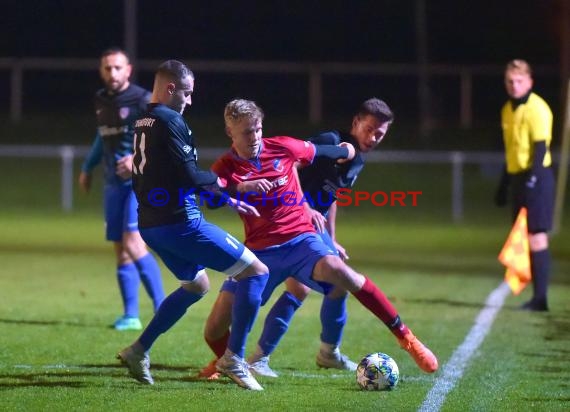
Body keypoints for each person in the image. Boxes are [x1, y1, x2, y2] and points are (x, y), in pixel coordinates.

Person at [199, 99, 438, 380]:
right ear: (231, 132)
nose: (255, 137)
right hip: (261, 249)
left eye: (258, 129)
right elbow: (210, 196)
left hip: (302, 237)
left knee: (340, 277)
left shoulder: (293, 148)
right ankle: (234, 361)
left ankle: (400, 338)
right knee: (214, 329)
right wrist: (247, 189)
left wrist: (331, 238)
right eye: (247, 132)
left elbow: (325, 187)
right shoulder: (228, 165)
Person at [115, 60, 270, 391]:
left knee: (197, 285)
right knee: (256, 272)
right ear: (171, 89)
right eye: (186, 92)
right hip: (180, 223)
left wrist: (221, 195)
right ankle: (234, 358)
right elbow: (190, 175)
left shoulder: (143, 119)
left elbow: (172, 176)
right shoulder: (171, 121)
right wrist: (228, 185)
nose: (189, 100)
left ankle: (138, 349)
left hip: (151, 225)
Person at [79, 48, 165, 331]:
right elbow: (100, 137)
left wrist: (136, 159)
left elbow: (161, 137)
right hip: (112, 184)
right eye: (107, 68)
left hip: (136, 184)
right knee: (120, 248)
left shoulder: (142, 100)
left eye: (117, 68)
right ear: (101, 71)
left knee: (133, 242)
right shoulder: (100, 99)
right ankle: (131, 315)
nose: (112, 73)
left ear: (128, 70)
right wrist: (87, 168)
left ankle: (162, 306)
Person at [494, 59, 554, 312]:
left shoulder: (538, 108)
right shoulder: (507, 109)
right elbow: (511, 151)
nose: (514, 85)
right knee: (523, 238)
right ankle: (535, 296)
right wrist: (504, 184)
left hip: (537, 178)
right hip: (518, 177)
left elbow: (541, 147)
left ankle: (541, 299)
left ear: (529, 82)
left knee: (537, 237)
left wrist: (533, 179)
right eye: (510, 81)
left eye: (519, 81)